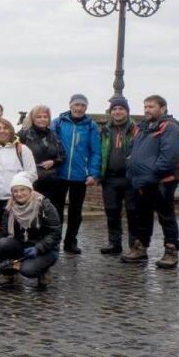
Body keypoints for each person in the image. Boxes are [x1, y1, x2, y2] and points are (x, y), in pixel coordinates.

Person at [123, 95, 179, 268]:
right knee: (142, 216)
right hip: (141, 183)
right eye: (145, 107)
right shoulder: (143, 128)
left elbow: (169, 158)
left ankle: (171, 251)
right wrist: (131, 170)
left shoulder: (170, 128)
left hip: (161, 182)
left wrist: (151, 175)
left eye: (151, 107)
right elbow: (132, 153)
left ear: (163, 108)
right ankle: (141, 248)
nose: (147, 110)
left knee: (166, 217)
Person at [0, 173, 61, 289]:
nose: (19, 194)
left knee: (27, 270)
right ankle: (8, 274)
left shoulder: (44, 206)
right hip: (22, 245)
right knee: (2, 243)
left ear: (30, 190)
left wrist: (38, 248)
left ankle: (43, 270)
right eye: (15, 191)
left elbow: (55, 233)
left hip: (45, 249)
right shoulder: (10, 208)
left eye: (22, 190)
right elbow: (4, 232)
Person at [50, 93, 101, 254]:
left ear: (86, 108)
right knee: (56, 210)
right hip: (59, 173)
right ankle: (54, 241)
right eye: (76, 105)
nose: (79, 108)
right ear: (70, 105)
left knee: (75, 211)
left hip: (80, 175)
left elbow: (96, 152)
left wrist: (93, 173)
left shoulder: (90, 126)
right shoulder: (58, 123)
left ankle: (70, 241)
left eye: (82, 106)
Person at [99, 96, 140, 256]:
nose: (117, 112)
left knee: (133, 212)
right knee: (112, 211)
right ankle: (114, 243)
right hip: (110, 178)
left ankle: (134, 245)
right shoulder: (105, 130)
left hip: (130, 178)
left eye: (121, 109)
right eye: (114, 109)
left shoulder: (136, 129)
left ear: (127, 111)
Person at [0, 119, 38, 223]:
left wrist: (17, 181)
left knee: (11, 231)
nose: (2, 131)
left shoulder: (22, 149)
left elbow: (32, 173)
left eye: (6, 128)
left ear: (11, 130)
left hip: (14, 198)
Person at [18, 104, 65, 200]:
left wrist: (54, 162)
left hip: (51, 180)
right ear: (33, 118)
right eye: (39, 117)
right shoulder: (24, 134)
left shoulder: (54, 135)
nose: (42, 119)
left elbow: (62, 155)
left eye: (45, 117)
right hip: (31, 181)